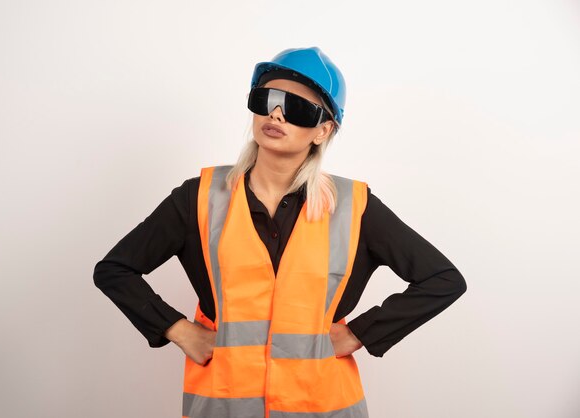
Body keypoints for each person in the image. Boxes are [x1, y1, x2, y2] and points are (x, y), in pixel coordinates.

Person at [93, 46, 467, 418]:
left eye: (298, 108)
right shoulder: (199, 198)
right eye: (268, 98)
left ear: (323, 131)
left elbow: (442, 279)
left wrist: (360, 333)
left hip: (321, 405)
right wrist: (178, 330)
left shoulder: (355, 206)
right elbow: (115, 270)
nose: (276, 114)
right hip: (223, 405)